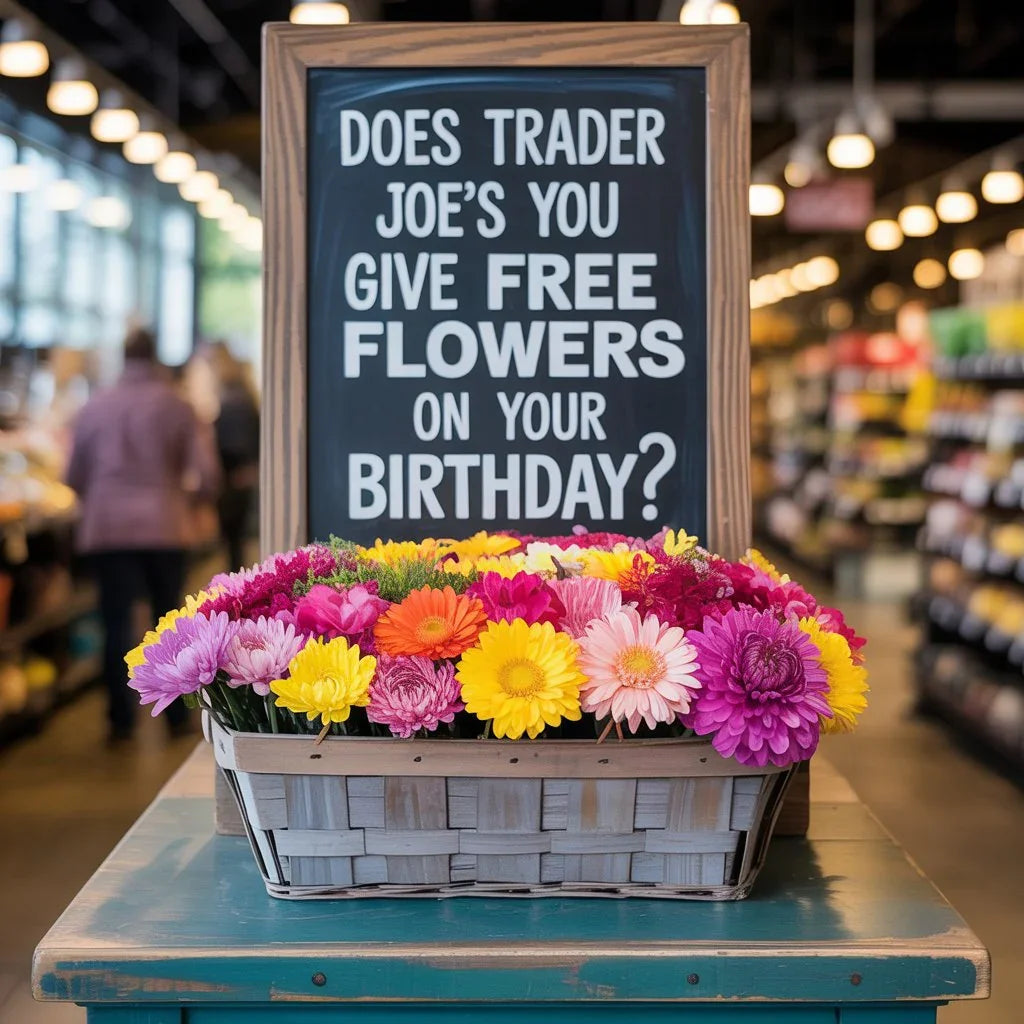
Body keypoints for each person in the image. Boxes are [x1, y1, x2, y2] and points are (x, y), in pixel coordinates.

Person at [66, 328, 220, 743]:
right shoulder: (178, 405)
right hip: (164, 523)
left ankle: (119, 721)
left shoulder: (95, 405)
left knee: (114, 620)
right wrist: (191, 500)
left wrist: (102, 495)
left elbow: (73, 474)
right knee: (165, 621)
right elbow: (206, 474)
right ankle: (173, 717)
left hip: (108, 525)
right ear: (155, 356)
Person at [209, 343, 259, 572]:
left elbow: (234, 445)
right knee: (236, 542)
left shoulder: (232, 400)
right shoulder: (243, 395)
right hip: (241, 476)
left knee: (233, 542)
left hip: (233, 478)